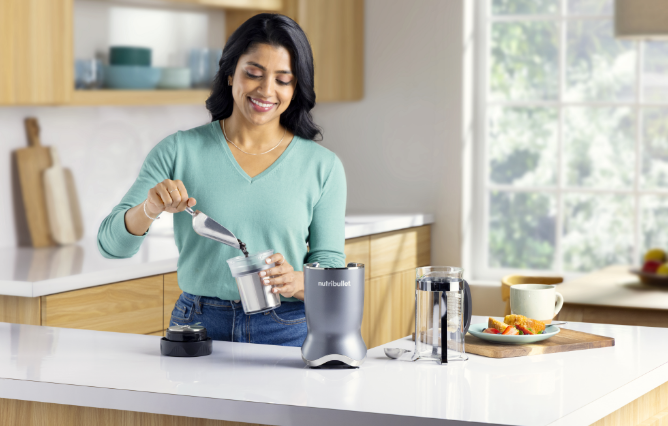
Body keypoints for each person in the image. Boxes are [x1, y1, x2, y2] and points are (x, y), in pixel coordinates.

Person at [97, 13, 346, 347]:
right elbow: (111, 246)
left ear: (296, 87)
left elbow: (330, 268)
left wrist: (298, 281)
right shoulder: (179, 150)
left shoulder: (322, 166)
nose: (266, 90)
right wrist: (150, 207)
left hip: (287, 327)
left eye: (283, 79)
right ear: (230, 74)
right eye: (253, 73)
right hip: (197, 325)